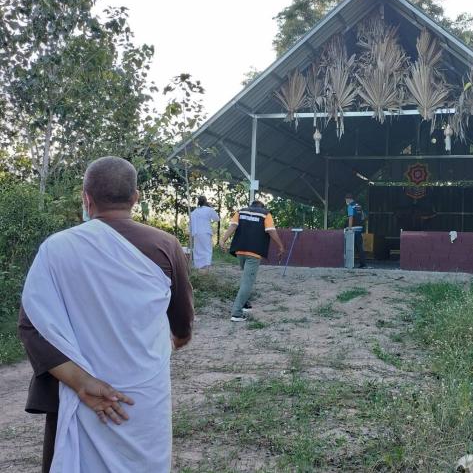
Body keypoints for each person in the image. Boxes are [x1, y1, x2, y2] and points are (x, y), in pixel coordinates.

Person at [18, 156, 194, 473]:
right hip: (144, 397)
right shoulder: (166, 245)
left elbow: (33, 326)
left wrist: (81, 382)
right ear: (135, 198)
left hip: (78, 392)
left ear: (87, 199)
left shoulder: (57, 248)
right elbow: (182, 322)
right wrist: (178, 339)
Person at [220, 199, 285, 322]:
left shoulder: (241, 212)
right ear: (262, 207)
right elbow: (271, 230)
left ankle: (245, 304)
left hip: (239, 250)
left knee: (245, 278)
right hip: (254, 253)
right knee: (247, 282)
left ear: (251, 206)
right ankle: (236, 313)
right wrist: (280, 246)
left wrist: (223, 240)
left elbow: (233, 226)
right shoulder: (265, 214)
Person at [189, 195, 220, 270]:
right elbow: (217, 219)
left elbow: (190, 223)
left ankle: (198, 268)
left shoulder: (194, 212)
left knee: (197, 250)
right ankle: (206, 268)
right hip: (205, 232)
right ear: (206, 201)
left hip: (196, 233)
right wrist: (211, 207)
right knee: (207, 250)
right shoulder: (209, 209)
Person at [345, 193, 368, 268]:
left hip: (354, 229)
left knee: (350, 247)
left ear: (348, 199)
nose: (346, 201)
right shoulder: (359, 206)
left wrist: (349, 227)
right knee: (359, 246)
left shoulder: (350, 206)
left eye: (346, 200)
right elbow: (364, 216)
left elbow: (351, 217)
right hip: (360, 228)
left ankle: (350, 264)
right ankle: (363, 264)